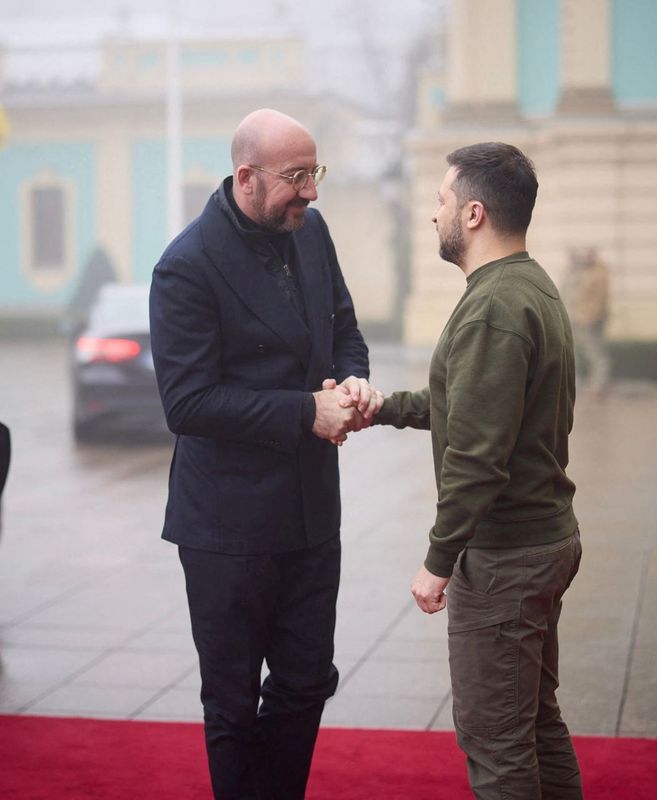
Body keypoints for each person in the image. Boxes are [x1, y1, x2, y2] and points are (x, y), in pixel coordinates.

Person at [149, 108, 382, 800]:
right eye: (297, 177)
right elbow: (187, 405)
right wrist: (306, 411)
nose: (311, 192)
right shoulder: (185, 267)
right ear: (246, 177)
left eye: (316, 174)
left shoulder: (312, 234)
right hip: (228, 527)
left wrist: (354, 377)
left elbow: (345, 328)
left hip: (313, 512)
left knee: (309, 679)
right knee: (230, 701)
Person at [372, 143, 583, 799]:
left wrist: (439, 560)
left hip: (506, 557)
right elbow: (472, 410)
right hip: (538, 542)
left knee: (497, 746)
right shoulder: (527, 285)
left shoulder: (494, 306)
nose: (431, 215)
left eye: (439, 202)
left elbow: (477, 456)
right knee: (533, 728)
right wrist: (383, 407)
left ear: (472, 212)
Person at [563, 247, 610, 395]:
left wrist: (590, 317)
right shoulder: (575, 273)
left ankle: (599, 384)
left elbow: (599, 299)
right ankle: (578, 381)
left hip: (590, 320)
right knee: (575, 351)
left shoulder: (598, 273)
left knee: (594, 351)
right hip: (575, 318)